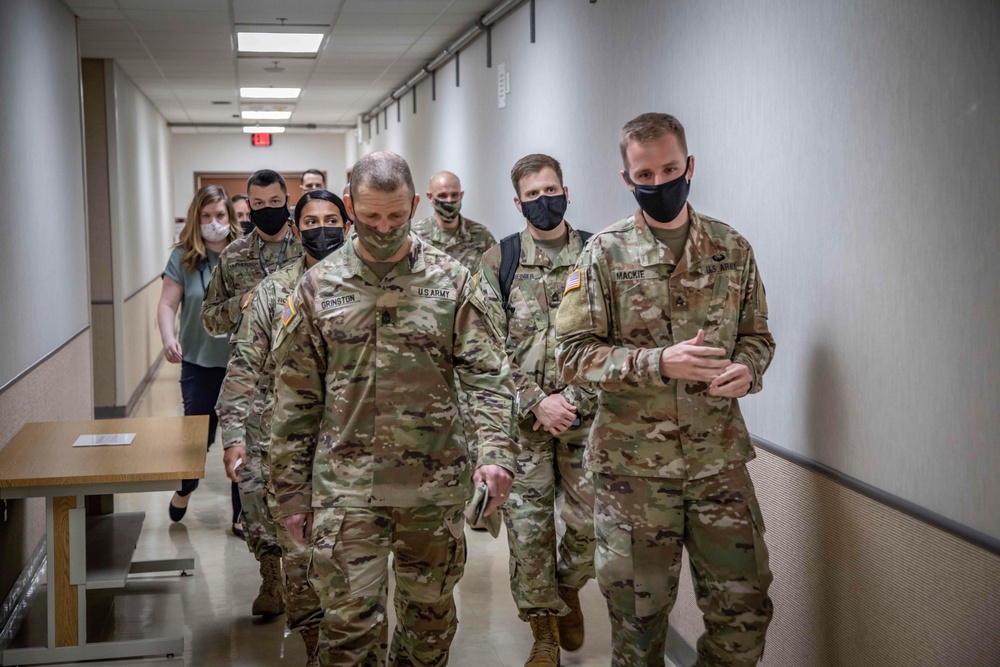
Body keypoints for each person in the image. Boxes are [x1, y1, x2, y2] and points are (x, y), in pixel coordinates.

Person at [269, 151, 517, 666]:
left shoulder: (452, 281)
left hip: (432, 488)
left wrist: (494, 453)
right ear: (349, 205)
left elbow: (486, 377)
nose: (383, 228)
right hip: (346, 490)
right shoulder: (318, 287)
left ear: (416, 205)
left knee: (428, 635)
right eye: (371, 216)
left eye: (396, 216)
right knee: (348, 634)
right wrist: (291, 494)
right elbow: (295, 399)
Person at [555, 112, 775, 667]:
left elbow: (758, 337)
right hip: (634, 475)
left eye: (670, 169)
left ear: (689, 166)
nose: (659, 183)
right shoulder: (603, 254)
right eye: (645, 175)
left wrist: (749, 370)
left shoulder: (731, 247)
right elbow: (571, 355)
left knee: (743, 618)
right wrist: (657, 363)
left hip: (718, 466)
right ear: (628, 179)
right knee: (638, 630)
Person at [473, 154, 597, 666]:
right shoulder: (497, 260)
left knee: (593, 523)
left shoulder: (597, 253)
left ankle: (567, 588)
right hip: (521, 425)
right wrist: (536, 400)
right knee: (529, 532)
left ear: (566, 191)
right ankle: (542, 630)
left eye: (552, 190)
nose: (543, 201)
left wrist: (572, 399)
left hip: (587, 420)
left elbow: (615, 337)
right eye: (532, 194)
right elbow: (484, 346)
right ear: (518, 201)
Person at [217, 189, 350, 661]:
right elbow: (243, 366)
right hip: (287, 446)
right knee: (298, 556)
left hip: (354, 449)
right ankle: (315, 647)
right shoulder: (274, 293)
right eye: (311, 221)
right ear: (296, 229)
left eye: (331, 219)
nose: (322, 229)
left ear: (347, 224)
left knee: (352, 556)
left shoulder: (367, 285)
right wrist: (233, 435)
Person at [157, 185, 240, 526]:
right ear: (196, 218)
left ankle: (240, 515)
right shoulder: (183, 258)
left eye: (220, 215)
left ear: (230, 217)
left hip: (242, 364)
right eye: (206, 216)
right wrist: (168, 337)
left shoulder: (244, 254)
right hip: (199, 361)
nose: (213, 222)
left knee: (241, 439)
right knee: (197, 439)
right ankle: (185, 487)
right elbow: (167, 303)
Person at [201, 169, 303, 337]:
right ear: (249, 206)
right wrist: (241, 303)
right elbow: (209, 321)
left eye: (275, 201)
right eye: (259, 203)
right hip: (249, 360)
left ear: (287, 200)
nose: (267, 208)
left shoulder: (308, 245)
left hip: (301, 359)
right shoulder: (233, 254)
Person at [412, 170, 495, 273]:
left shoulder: (482, 235)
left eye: (454, 195)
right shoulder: (415, 237)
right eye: (442, 196)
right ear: (430, 197)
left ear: (461, 195)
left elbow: (494, 278)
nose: (449, 201)